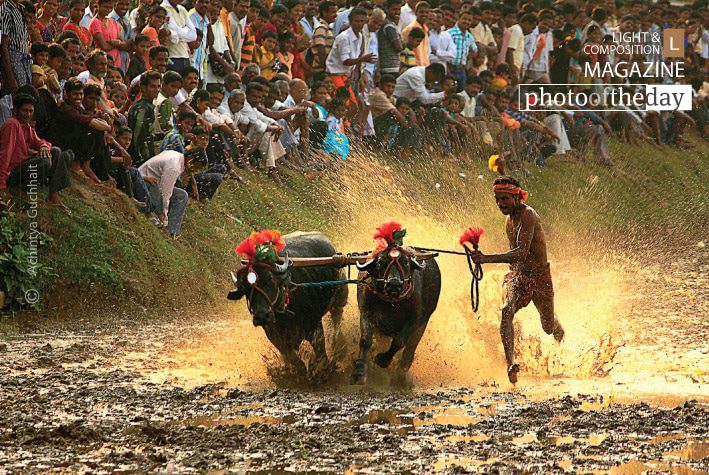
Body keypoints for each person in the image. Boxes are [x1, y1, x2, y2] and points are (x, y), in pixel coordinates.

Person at [468, 176, 564, 384]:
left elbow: (520, 252)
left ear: (516, 197)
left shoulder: (529, 215)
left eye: (504, 199)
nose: (500, 204)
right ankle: (510, 364)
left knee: (547, 326)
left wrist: (486, 259)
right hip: (518, 275)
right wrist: (483, 259)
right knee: (506, 310)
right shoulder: (508, 220)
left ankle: (558, 333)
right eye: (497, 200)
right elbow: (517, 259)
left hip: (539, 276)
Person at [0, 93, 71, 212]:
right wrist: (1, 185)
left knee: (56, 151)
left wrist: (43, 146)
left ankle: (54, 195)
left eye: (30, 111)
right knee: (44, 162)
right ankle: (24, 190)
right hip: (11, 172)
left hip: (21, 166)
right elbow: (4, 155)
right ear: (16, 110)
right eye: (25, 111)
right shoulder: (12, 125)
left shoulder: (26, 126)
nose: (28, 114)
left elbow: (40, 142)